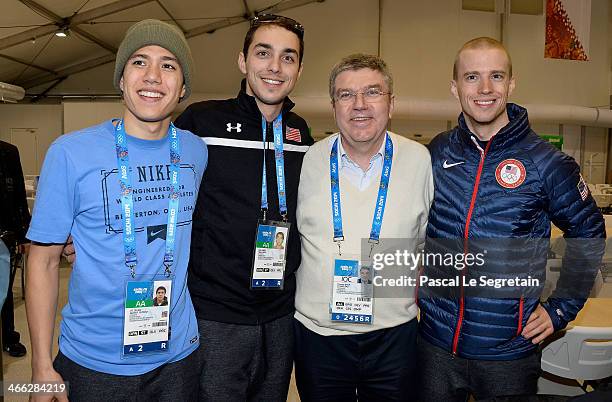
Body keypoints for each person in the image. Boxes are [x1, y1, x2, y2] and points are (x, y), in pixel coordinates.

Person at [26, 19, 207, 402]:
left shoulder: (195, 152)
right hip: (93, 361)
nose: (153, 76)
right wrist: (41, 367)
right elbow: (41, 261)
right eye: (139, 62)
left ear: (184, 87)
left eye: (169, 65)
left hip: (178, 357)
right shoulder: (70, 153)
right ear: (122, 80)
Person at [418, 37, 605, 401]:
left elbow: (590, 232)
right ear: (455, 87)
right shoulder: (437, 151)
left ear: (512, 83)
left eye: (496, 76)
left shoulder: (547, 163)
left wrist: (560, 309)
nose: (485, 89)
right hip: (435, 346)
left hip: (507, 354)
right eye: (472, 77)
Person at [174, 14, 313, 401]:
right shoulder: (201, 122)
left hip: (281, 314)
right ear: (242, 61)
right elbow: (153, 188)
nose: (274, 66)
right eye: (263, 53)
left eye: (288, 57)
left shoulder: (301, 133)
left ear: (299, 70)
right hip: (216, 314)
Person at [294, 54, 433, 402]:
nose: (359, 105)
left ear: (391, 103)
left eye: (372, 92)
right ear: (333, 105)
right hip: (318, 335)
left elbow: (436, 242)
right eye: (346, 95)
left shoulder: (421, 161)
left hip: (394, 336)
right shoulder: (306, 160)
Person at [0, 140, 31, 357]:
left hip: (4, 234)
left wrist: (24, 234)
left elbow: (18, 193)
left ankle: (8, 337)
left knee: (3, 291)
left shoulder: (8, 151)